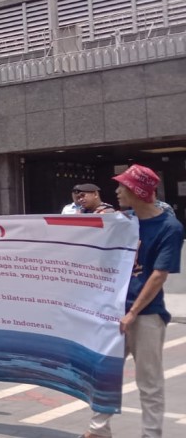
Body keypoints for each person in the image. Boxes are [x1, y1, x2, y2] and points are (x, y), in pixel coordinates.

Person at [81, 165, 184, 438]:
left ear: (138, 191)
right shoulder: (123, 221)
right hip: (114, 311)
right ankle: (98, 430)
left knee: (149, 382)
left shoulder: (169, 227)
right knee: (103, 371)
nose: (116, 191)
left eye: (122, 186)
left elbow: (159, 276)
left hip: (147, 315)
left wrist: (132, 313)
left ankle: (151, 434)